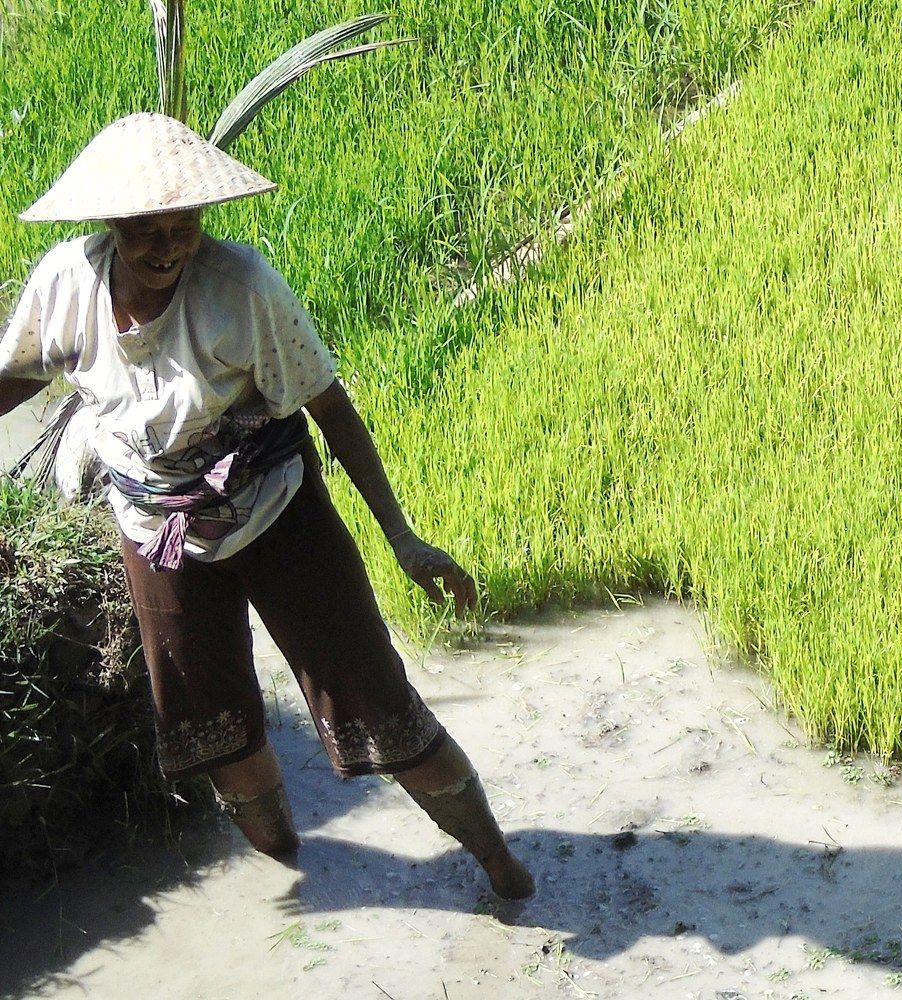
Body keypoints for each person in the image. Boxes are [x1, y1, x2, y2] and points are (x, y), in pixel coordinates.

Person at [0, 113, 534, 900]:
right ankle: (296, 873)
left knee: (378, 705)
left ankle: (499, 862)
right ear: (111, 223)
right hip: (159, 531)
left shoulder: (240, 288)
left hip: (274, 512)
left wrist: (402, 536)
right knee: (212, 727)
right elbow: (23, 373)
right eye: (149, 230)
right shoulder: (65, 284)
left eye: (184, 226)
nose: (169, 247)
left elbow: (329, 406)